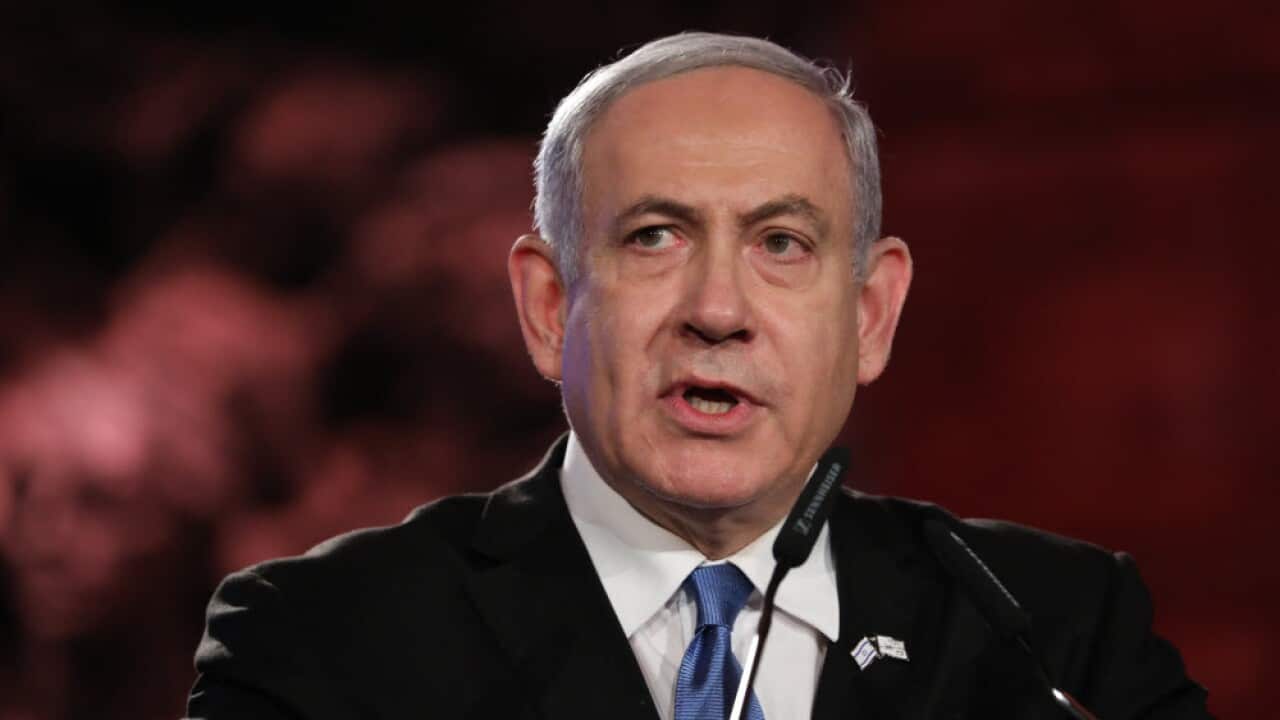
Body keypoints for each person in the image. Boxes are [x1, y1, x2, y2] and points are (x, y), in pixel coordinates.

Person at [186, 32, 1211, 719]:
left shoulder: (1058, 633)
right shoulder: (322, 647)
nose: (716, 311)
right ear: (549, 307)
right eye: (654, 235)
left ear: (868, 315)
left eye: (780, 242)